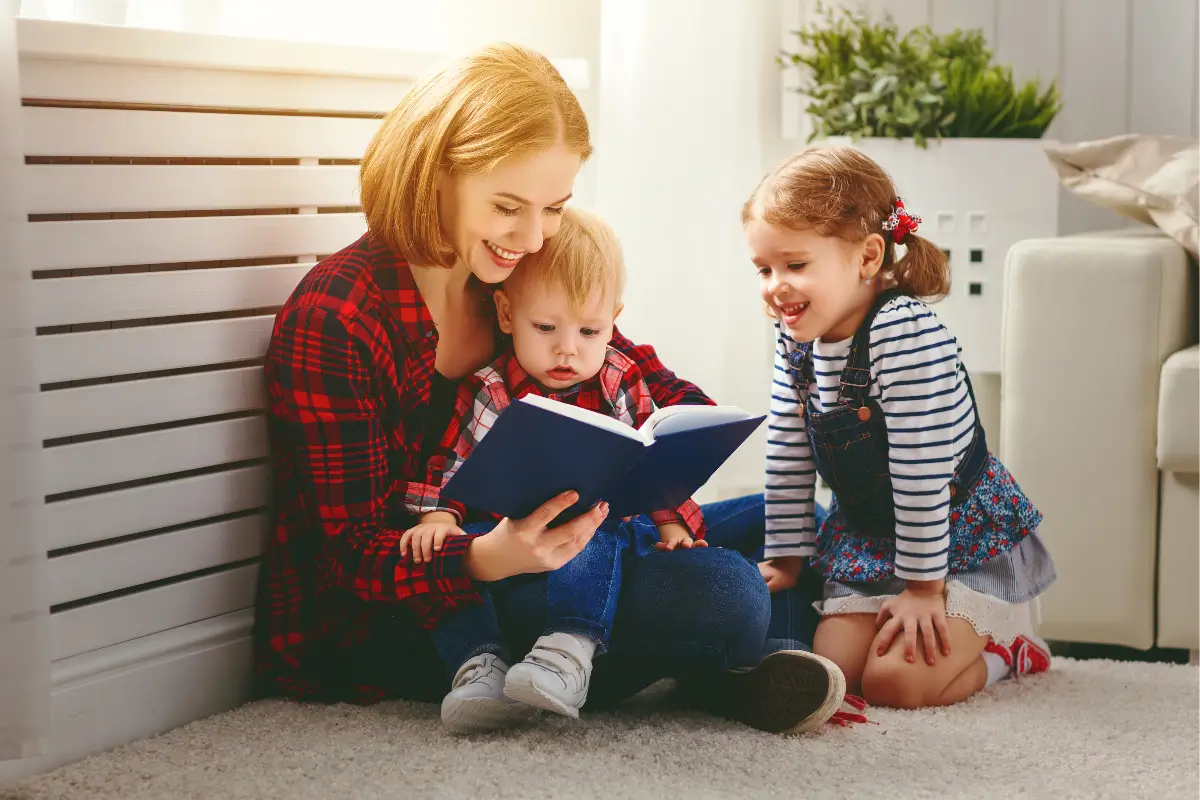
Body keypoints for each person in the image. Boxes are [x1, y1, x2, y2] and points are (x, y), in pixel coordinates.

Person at [255, 41, 845, 736]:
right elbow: (348, 555)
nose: (534, 238)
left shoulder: (511, 279)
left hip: (566, 542)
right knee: (729, 592)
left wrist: (681, 440)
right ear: (435, 173)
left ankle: (731, 669)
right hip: (428, 610)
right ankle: (743, 660)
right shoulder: (338, 320)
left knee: (799, 516)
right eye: (509, 206)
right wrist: (486, 556)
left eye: (554, 208)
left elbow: (650, 382)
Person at [741, 146, 1058, 710]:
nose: (775, 287)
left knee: (898, 684)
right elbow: (788, 450)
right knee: (836, 672)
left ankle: (1008, 650)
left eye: (795, 265)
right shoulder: (795, 339)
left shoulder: (905, 335)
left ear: (866, 257)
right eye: (764, 270)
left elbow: (921, 472)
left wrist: (922, 590)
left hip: (953, 540)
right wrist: (786, 557)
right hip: (867, 537)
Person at [405, 207, 717, 730]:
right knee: (437, 561)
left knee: (595, 528)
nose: (567, 349)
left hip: (595, 529)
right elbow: (450, 460)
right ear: (506, 314)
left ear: (613, 321)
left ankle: (569, 651)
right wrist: (439, 517)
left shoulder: (618, 376)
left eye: (591, 331)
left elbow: (652, 452)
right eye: (545, 327)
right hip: (501, 539)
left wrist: (672, 518)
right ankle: (478, 666)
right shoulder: (491, 387)